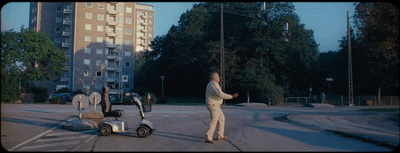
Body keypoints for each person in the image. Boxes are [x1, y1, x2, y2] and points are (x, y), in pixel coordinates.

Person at [205, 72, 238, 144]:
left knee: (222, 118)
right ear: (214, 78)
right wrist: (231, 96)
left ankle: (220, 135)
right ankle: (209, 137)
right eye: (218, 76)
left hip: (215, 105)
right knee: (214, 120)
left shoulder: (214, 84)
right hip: (213, 105)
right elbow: (220, 94)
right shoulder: (213, 84)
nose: (219, 77)